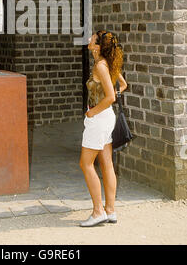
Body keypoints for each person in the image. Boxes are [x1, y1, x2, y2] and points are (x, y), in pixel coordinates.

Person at [79, 30, 127, 227]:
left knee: (86, 164)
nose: (89, 39)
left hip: (99, 118)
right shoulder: (106, 64)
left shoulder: (100, 65)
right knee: (106, 164)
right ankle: (110, 210)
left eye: (93, 38)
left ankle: (98, 211)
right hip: (105, 118)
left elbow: (111, 97)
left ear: (97, 46)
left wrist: (92, 112)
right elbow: (122, 85)